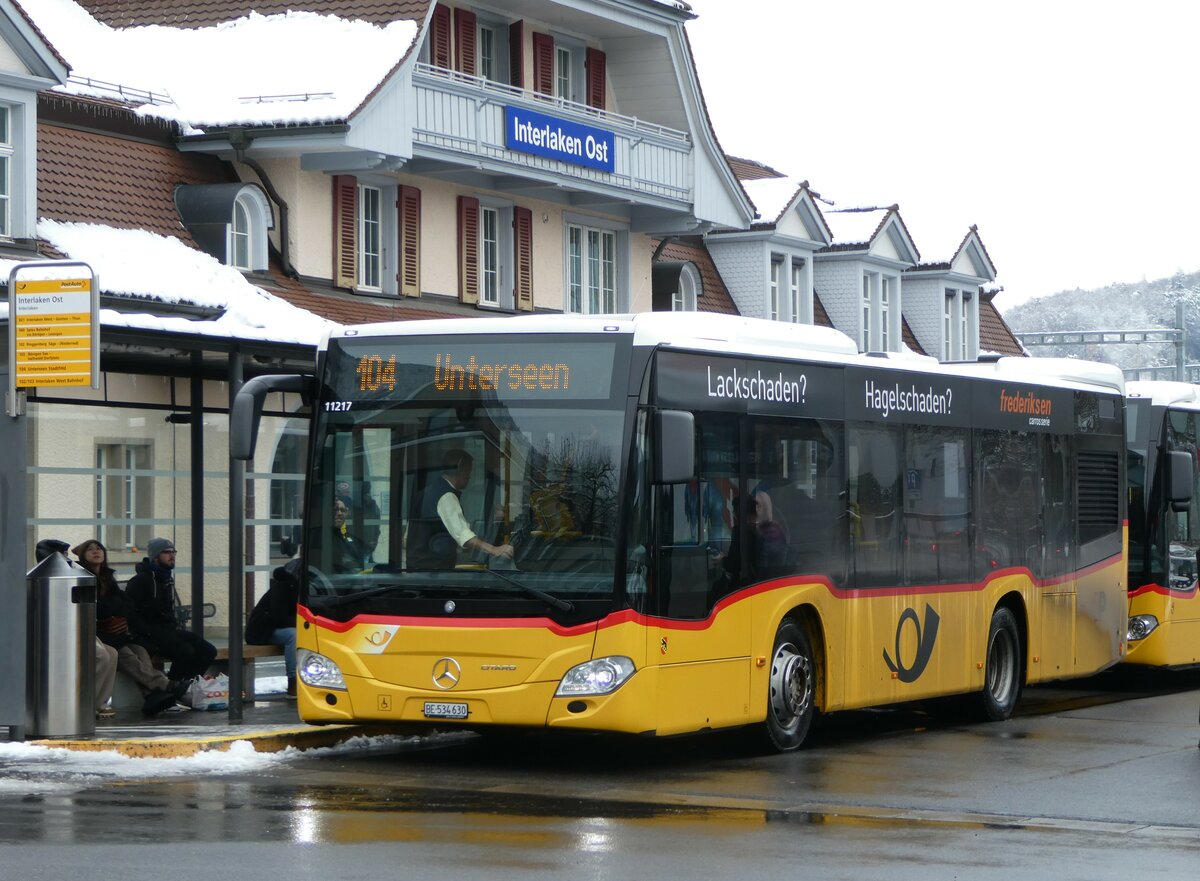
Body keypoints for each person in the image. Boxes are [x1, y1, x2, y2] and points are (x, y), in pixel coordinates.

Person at [73, 539, 186, 717]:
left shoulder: (107, 577)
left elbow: (126, 605)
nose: (96, 552)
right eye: (90, 550)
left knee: (140, 651)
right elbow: (100, 606)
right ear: (83, 556)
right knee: (124, 654)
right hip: (98, 633)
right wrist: (111, 611)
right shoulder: (82, 577)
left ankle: (152, 696)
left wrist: (114, 612)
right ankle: (163, 684)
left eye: (99, 548)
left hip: (115, 633)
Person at [33, 539, 119, 719]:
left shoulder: (76, 573)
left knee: (112, 653)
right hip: (62, 632)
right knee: (102, 655)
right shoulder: (45, 577)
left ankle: (97, 702)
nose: (66, 558)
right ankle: (82, 702)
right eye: (63, 554)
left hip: (78, 627)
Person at [125, 537, 217, 685]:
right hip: (147, 634)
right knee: (186, 651)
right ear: (155, 557)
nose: (172, 555)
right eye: (166, 552)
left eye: (173, 552)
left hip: (167, 630)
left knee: (208, 650)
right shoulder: (141, 581)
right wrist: (147, 630)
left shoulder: (166, 579)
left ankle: (188, 685)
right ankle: (172, 689)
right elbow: (131, 613)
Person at [406, 449, 513, 568]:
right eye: (468, 471)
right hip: (435, 572)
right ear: (459, 468)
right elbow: (464, 535)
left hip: (415, 570)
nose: (469, 476)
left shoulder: (423, 494)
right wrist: (495, 550)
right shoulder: (446, 496)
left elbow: (406, 538)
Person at [246, 557, 300, 697]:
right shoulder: (282, 587)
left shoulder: (298, 588)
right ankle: (293, 681)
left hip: (274, 627)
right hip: (262, 631)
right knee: (293, 635)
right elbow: (279, 618)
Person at [330, 498, 371, 573]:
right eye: (335, 510)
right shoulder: (321, 537)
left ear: (346, 513)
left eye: (342, 510)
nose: (339, 513)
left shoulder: (352, 538)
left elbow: (366, 560)